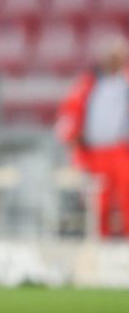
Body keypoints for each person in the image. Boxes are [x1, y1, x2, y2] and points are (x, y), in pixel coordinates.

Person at [56, 35, 129, 237]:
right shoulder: (88, 84)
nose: (114, 60)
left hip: (121, 150)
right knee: (98, 201)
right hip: (95, 152)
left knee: (126, 196)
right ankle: (100, 240)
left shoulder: (126, 82)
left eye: (118, 56)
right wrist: (71, 136)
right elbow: (70, 111)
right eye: (111, 56)